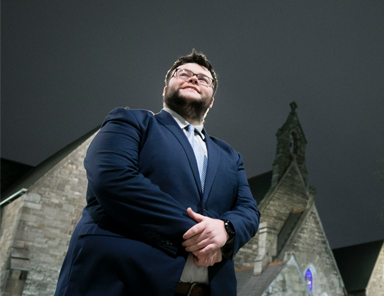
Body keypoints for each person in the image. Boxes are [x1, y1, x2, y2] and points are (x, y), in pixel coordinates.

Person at [56, 50, 260, 296]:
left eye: (203, 78)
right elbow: (113, 178)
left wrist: (227, 230)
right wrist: (204, 237)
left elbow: (248, 210)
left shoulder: (231, 156)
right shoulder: (131, 122)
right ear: (165, 91)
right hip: (120, 282)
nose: (193, 78)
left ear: (212, 100)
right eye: (183, 73)